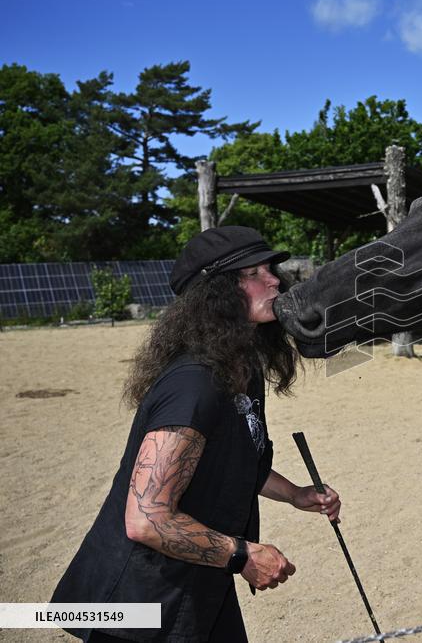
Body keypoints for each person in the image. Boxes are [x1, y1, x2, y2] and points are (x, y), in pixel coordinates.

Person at [51, 226, 341, 642]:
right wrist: (242, 555)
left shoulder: (242, 367)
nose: (274, 279)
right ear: (216, 296)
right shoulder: (194, 386)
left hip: (201, 584)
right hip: (140, 604)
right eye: (254, 273)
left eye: (269, 268)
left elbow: (237, 464)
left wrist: (296, 494)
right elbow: (146, 519)